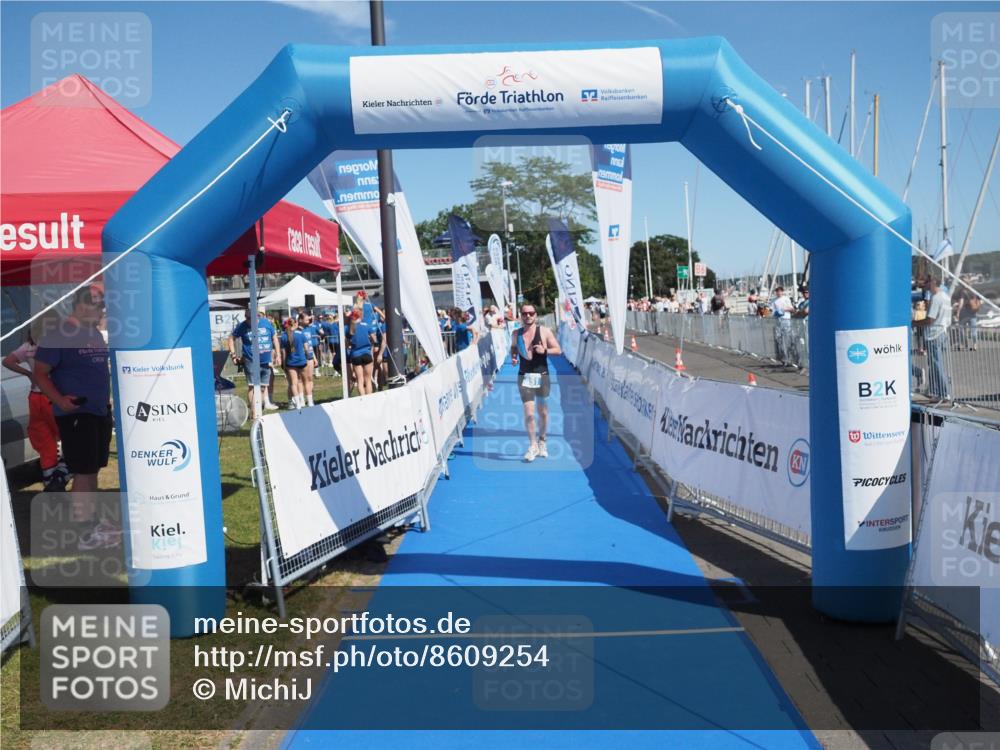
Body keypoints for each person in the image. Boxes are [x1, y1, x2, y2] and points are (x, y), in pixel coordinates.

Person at [33, 284, 118, 549]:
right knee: (82, 471)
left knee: (92, 469)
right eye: (98, 305)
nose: (103, 309)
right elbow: (40, 372)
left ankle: (93, 522)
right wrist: (59, 400)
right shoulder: (59, 333)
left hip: (99, 411)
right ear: (81, 306)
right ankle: (85, 532)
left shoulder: (93, 333)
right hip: (76, 414)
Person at [2, 316, 69, 491]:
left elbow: (7, 361)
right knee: (71, 438)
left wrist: (28, 374)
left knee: (45, 443)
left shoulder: (29, 347)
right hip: (52, 398)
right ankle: (59, 479)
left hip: (35, 398)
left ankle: (51, 487)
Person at [511, 304, 562, 462]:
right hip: (524, 376)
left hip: (542, 376)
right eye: (524, 313)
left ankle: (542, 441)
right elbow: (513, 348)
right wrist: (513, 356)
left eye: (531, 313)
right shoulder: (516, 333)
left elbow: (558, 350)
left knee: (543, 413)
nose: (528, 316)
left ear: (535, 314)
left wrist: (544, 351)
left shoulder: (544, 332)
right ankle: (532, 445)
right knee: (529, 412)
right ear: (521, 315)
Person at [229, 305, 281, 416]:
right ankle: (254, 413)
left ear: (256, 315)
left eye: (249, 317)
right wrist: (233, 355)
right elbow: (231, 338)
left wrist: (278, 354)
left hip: (265, 360)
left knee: (262, 387)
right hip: (250, 360)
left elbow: (274, 338)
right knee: (252, 386)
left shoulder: (266, 323)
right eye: (246, 317)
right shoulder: (242, 326)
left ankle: (259, 410)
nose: (247, 320)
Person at [914, 276, 952, 400]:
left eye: (926, 282)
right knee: (934, 363)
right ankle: (936, 392)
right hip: (942, 332)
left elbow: (930, 319)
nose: (924, 285)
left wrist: (913, 323)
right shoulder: (946, 296)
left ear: (932, 283)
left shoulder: (936, 298)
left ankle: (944, 392)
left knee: (936, 364)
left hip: (934, 334)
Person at [347, 307, 377, 395]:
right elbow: (374, 338)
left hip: (355, 354)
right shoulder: (366, 325)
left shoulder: (349, 328)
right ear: (361, 315)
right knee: (368, 380)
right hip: (366, 353)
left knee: (360, 380)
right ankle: (369, 399)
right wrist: (374, 344)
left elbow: (347, 342)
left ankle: (363, 399)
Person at [296, 312, 317, 406]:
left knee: (310, 378)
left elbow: (310, 344)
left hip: (310, 356)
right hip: (301, 357)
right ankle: (301, 399)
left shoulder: (309, 329)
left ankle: (310, 398)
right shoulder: (297, 330)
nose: (309, 321)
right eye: (307, 319)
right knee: (300, 379)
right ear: (300, 320)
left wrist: (314, 358)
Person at [954, 286, 981, 351]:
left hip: (964, 314)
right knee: (973, 330)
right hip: (973, 313)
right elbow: (979, 301)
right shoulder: (974, 290)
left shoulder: (962, 292)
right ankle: (975, 345)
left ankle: (963, 344)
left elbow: (961, 303)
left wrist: (958, 312)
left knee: (961, 330)